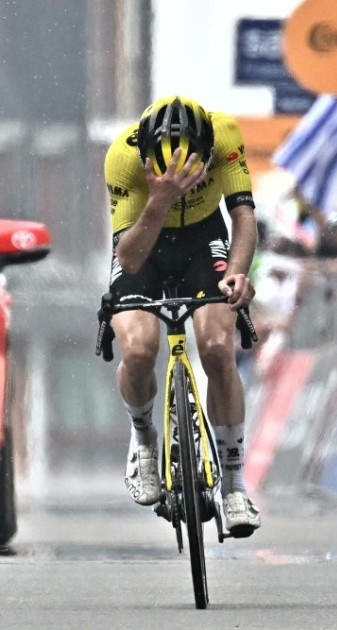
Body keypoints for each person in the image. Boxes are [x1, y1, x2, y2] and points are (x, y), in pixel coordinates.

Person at [103, 96, 261, 535]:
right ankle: (143, 438)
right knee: (139, 349)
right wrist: (160, 199)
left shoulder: (224, 134)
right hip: (144, 241)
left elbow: (244, 217)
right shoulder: (122, 157)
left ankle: (234, 486)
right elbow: (129, 259)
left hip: (203, 241)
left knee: (216, 348)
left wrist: (237, 273)